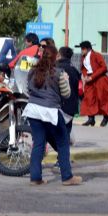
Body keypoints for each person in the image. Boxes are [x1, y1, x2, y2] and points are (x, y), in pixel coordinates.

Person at [22, 44, 82, 186]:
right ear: (55, 57)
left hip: (32, 110)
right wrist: (66, 80)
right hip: (50, 111)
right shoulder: (59, 73)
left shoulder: (32, 71)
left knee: (38, 144)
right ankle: (67, 177)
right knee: (62, 143)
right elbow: (66, 94)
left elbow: (26, 88)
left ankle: (35, 178)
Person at [76, 41, 108, 127]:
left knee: (102, 99)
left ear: (88, 48)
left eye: (83, 49)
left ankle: (106, 116)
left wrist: (92, 77)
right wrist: (85, 77)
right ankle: (91, 119)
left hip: (100, 79)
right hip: (90, 80)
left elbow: (104, 67)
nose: (82, 51)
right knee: (89, 98)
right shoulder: (83, 57)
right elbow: (84, 69)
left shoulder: (97, 55)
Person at [57, 46, 81, 142]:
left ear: (59, 55)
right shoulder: (74, 70)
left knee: (57, 133)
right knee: (66, 133)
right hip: (71, 105)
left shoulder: (56, 68)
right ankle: (64, 155)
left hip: (59, 105)